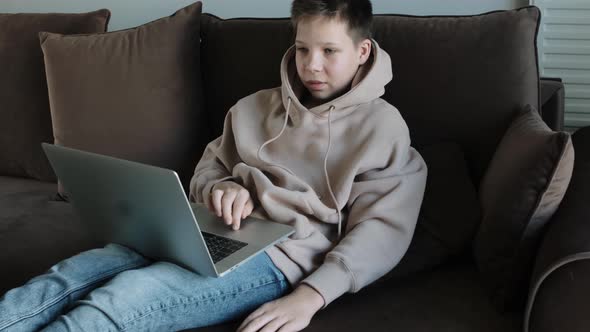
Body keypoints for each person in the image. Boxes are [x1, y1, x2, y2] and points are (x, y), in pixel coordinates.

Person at [0, 0, 427, 331]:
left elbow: (383, 230)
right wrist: (222, 188)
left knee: (120, 300)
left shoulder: (383, 127)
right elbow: (208, 170)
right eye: (302, 49)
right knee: (66, 277)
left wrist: (313, 295)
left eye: (329, 51)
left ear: (362, 51)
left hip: (279, 256)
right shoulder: (253, 108)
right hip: (201, 229)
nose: (311, 64)